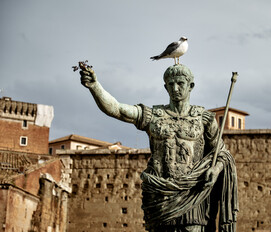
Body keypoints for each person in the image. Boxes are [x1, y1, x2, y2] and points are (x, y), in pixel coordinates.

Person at [79, 63, 238, 232]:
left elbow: (221, 153)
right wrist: (95, 86)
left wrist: (216, 169)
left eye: (180, 83)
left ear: (191, 86)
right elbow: (117, 109)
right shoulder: (153, 116)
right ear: (165, 87)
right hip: (159, 196)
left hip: (192, 194)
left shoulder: (204, 119)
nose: (175, 88)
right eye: (171, 84)